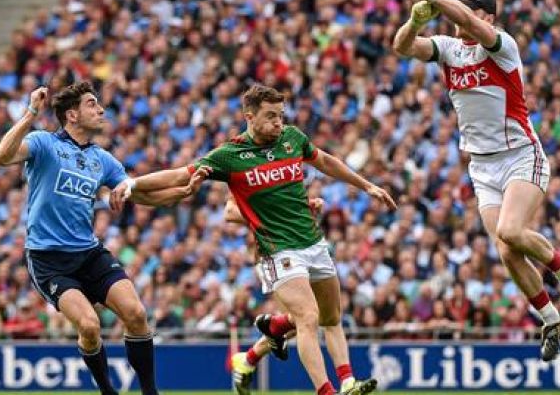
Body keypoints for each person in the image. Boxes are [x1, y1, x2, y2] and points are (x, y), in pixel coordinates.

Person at [112, 84, 393, 395]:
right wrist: (131, 185)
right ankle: (327, 391)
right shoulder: (230, 157)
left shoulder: (292, 139)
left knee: (330, 316)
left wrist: (367, 186)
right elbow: (181, 176)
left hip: (313, 242)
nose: (278, 123)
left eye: (281, 116)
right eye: (271, 116)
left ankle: (339, 377)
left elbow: (325, 161)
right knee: (308, 318)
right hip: (279, 251)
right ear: (249, 116)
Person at [392, 0, 560, 361]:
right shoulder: (448, 49)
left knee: (511, 230)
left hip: (519, 155)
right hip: (482, 167)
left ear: (485, 16)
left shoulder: (501, 45)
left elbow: (466, 18)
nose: (454, 21)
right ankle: (550, 318)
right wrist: (415, 20)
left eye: (466, 13)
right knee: (506, 250)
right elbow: (401, 47)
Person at [0, 81, 206, 395]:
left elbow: (136, 193)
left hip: (89, 252)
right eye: (92, 104)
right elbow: (2, 156)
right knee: (90, 326)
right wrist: (30, 113)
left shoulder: (102, 160)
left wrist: (180, 192)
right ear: (72, 115)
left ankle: (150, 392)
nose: (101, 109)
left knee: (136, 314)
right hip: (49, 260)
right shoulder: (43, 143)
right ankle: (107, 390)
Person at [226, 196, 322, 395]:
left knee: (303, 320)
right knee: (303, 318)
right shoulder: (250, 180)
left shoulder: (281, 184)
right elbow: (230, 211)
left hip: (291, 260)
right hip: (272, 262)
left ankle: (247, 359)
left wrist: (306, 210)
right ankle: (249, 358)